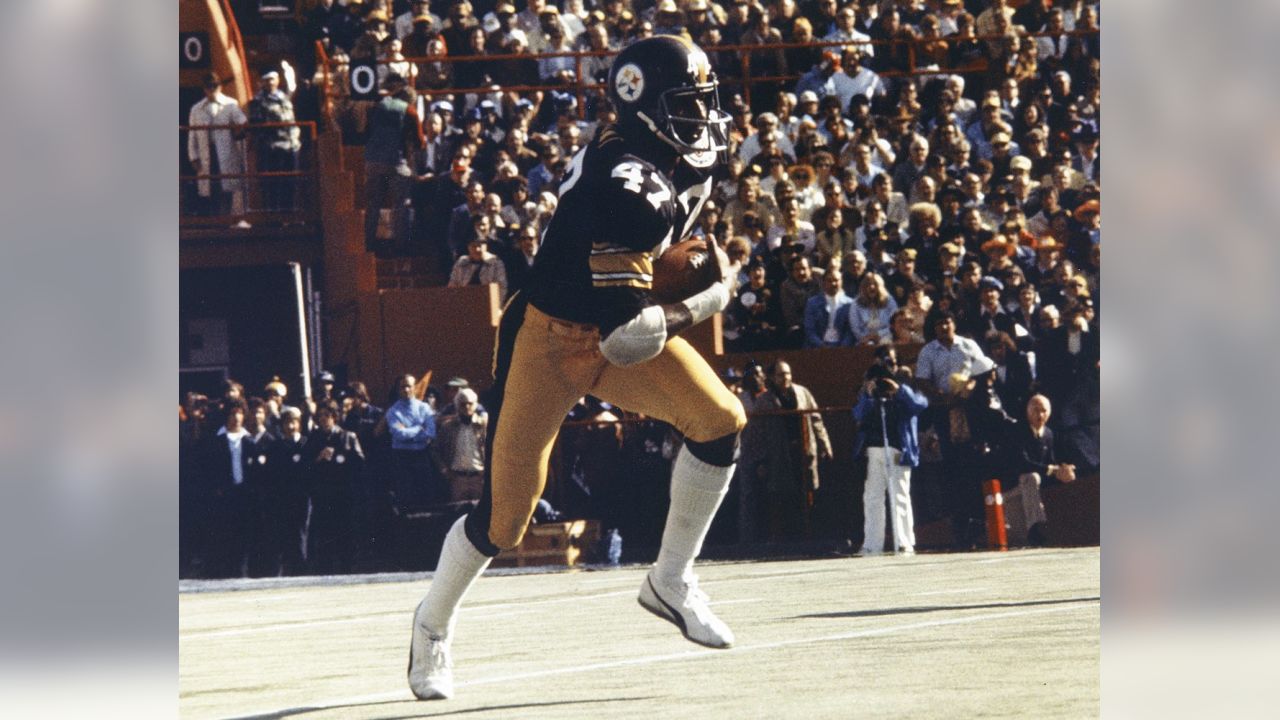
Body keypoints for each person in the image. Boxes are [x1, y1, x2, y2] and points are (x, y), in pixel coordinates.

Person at [409, 37, 746, 701]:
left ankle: (670, 580)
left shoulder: (671, 155)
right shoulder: (626, 183)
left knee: (719, 421)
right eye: (686, 105)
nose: (703, 117)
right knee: (505, 520)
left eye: (703, 101)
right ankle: (432, 625)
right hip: (550, 337)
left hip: (611, 317)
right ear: (641, 107)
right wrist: (708, 297)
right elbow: (628, 339)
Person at [852, 363, 928, 555]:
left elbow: (920, 405)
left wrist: (899, 390)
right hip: (873, 451)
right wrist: (868, 395)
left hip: (898, 451)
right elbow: (858, 415)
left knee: (899, 496)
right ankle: (872, 544)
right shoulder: (869, 397)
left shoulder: (903, 393)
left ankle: (904, 542)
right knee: (872, 498)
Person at [764, 360, 831, 542]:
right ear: (771, 377)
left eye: (788, 374)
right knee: (783, 495)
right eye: (780, 374)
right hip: (779, 453)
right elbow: (758, 432)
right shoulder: (765, 400)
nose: (785, 378)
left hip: (804, 450)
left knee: (809, 491)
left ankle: (810, 535)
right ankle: (787, 538)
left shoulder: (802, 392)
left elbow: (816, 418)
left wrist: (824, 443)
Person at [1001, 394, 1076, 546]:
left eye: (1044, 411)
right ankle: (1036, 526)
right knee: (1031, 477)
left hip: (1029, 494)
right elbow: (1022, 463)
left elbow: (1050, 463)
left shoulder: (1048, 434)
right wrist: (1052, 469)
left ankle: (1034, 530)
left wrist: (1064, 470)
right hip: (1011, 490)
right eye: (1036, 410)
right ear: (1028, 412)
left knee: (1026, 542)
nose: (1040, 415)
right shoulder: (1016, 431)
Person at [363, 72, 422, 254]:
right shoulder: (410, 111)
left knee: (373, 204)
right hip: (396, 163)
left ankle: (369, 244)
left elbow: (366, 131)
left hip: (372, 162)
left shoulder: (377, 106)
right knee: (401, 205)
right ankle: (401, 247)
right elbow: (420, 141)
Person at [187, 73, 250, 228]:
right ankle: (215, 223)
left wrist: (240, 131)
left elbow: (242, 121)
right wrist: (193, 156)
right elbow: (192, 135)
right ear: (204, 89)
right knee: (211, 188)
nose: (212, 89)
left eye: (214, 85)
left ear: (220, 86)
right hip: (206, 153)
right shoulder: (196, 109)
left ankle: (227, 221)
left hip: (225, 152)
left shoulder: (231, 104)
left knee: (226, 187)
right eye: (208, 86)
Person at [247, 69, 302, 212]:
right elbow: (256, 125)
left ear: (278, 80)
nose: (271, 82)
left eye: (273, 79)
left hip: (291, 145)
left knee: (291, 182)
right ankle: (273, 216)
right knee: (273, 183)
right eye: (267, 80)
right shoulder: (257, 102)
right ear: (262, 82)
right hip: (272, 148)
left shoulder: (284, 97)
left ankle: (290, 213)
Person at [384, 374, 439, 512]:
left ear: (414, 388)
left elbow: (431, 433)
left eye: (409, 386)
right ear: (398, 389)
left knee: (426, 496)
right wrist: (419, 429)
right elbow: (398, 434)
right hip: (401, 457)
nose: (406, 389)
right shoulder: (393, 411)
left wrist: (408, 432)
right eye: (403, 386)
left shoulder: (424, 408)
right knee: (405, 497)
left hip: (421, 455)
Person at [433, 388, 488, 502]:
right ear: (457, 405)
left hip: (479, 478)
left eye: (470, 403)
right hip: (458, 479)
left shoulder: (483, 426)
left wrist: (488, 470)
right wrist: (444, 469)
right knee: (458, 513)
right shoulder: (447, 427)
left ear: (476, 405)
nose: (467, 407)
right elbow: (435, 450)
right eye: (463, 404)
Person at [803, 265, 853, 348]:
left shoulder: (850, 303)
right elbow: (809, 330)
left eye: (836, 280)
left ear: (841, 282)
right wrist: (821, 345)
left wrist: (843, 346)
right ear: (823, 282)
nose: (833, 283)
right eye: (829, 281)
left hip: (842, 347)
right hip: (817, 347)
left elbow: (850, 331)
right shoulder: (812, 303)